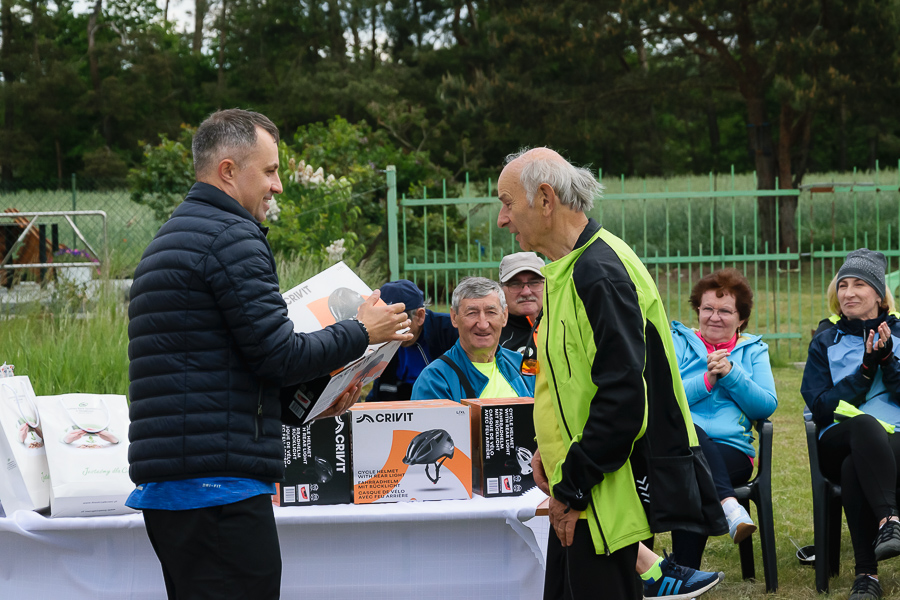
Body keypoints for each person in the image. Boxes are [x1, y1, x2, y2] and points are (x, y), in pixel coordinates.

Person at [126, 109, 412, 600]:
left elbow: (215, 368)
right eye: (271, 170)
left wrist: (310, 404)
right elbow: (277, 354)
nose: (278, 186)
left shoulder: (174, 236)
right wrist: (362, 331)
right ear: (228, 171)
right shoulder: (231, 236)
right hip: (219, 488)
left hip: (181, 482)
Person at [497, 147, 724, 600]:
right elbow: (569, 380)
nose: (503, 219)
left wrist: (572, 487)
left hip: (600, 498)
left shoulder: (598, 273)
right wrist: (551, 450)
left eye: (507, 203)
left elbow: (623, 402)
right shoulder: (565, 268)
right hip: (582, 486)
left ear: (545, 199)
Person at [802, 249, 900, 600]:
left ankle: (867, 576)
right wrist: (863, 373)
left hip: (894, 441)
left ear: (878, 293)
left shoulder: (899, 333)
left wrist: (887, 361)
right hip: (838, 436)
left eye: (859, 284)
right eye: (843, 285)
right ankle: (889, 519)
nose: (849, 293)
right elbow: (819, 405)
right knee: (864, 426)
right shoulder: (826, 340)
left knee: (854, 466)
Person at [669, 268, 777, 568]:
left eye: (725, 311)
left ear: (741, 318)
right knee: (690, 431)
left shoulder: (754, 350)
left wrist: (731, 374)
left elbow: (765, 406)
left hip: (732, 452)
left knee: (691, 474)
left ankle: (681, 573)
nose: (714, 317)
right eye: (708, 309)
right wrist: (706, 380)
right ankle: (729, 506)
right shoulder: (677, 342)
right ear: (698, 310)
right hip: (679, 445)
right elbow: (664, 398)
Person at [411, 276, 535, 402]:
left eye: (491, 312)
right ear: (454, 317)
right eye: (472, 313)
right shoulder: (434, 379)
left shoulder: (525, 364)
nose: (482, 324)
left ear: (504, 316)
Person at [366, 279, 458, 401]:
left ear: (419, 316)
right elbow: (379, 394)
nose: (388, 329)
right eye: (383, 321)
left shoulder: (451, 330)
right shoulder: (380, 337)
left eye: (396, 321)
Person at [499, 252, 544, 363]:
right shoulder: (492, 333)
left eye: (534, 282)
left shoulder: (564, 324)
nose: (526, 292)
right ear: (501, 290)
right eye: (515, 284)